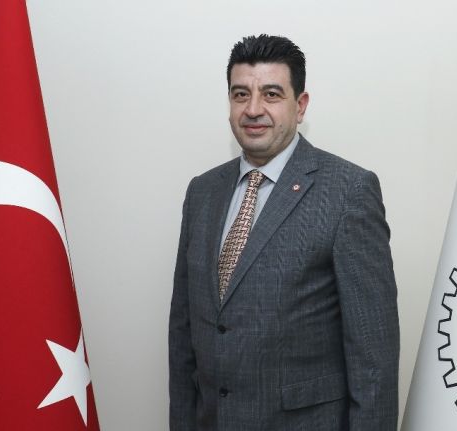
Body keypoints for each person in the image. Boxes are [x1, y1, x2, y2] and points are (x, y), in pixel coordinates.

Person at [169, 34, 399, 431]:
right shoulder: (202, 192)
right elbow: (183, 333)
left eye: (271, 94)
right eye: (241, 94)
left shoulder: (348, 192)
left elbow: (373, 360)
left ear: (300, 105)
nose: (253, 109)